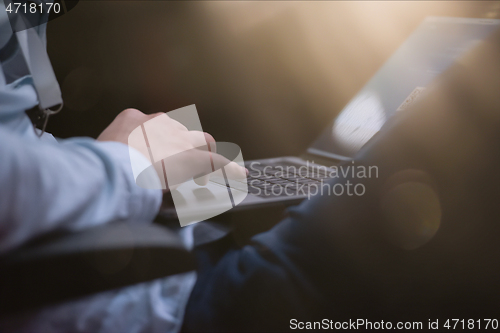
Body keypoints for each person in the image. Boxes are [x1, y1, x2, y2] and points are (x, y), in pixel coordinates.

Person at [0, 2, 244, 332]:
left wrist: (115, 157)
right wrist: (128, 163)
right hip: (110, 303)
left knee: (229, 204)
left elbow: (13, 135)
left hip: (125, 278)